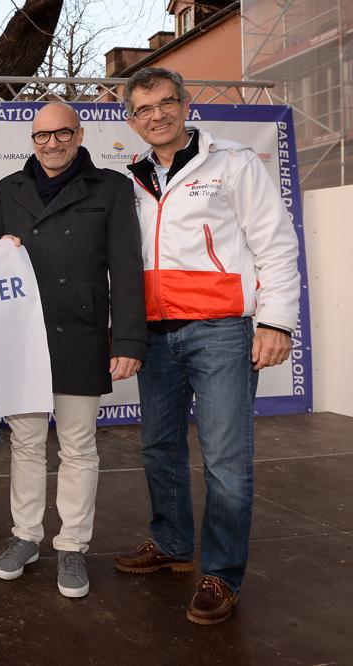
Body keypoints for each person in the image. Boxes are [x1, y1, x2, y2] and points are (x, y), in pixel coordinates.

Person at [114, 68, 300, 624]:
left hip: (221, 331)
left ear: (186, 104)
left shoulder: (234, 163)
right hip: (154, 334)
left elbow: (276, 244)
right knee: (158, 449)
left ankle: (221, 572)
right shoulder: (130, 179)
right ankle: (171, 543)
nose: (157, 115)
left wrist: (277, 323)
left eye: (166, 103)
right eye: (144, 109)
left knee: (225, 460)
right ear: (131, 119)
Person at [0, 102, 147, 598]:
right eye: (42, 136)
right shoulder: (9, 189)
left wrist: (129, 339)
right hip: (23, 339)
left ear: (79, 135)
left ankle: (72, 544)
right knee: (27, 443)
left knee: (77, 446)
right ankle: (26, 536)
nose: (52, 144)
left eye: (62, 134)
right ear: (31, 139)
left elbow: (127, 269)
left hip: (82, 333)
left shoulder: (111, 188)